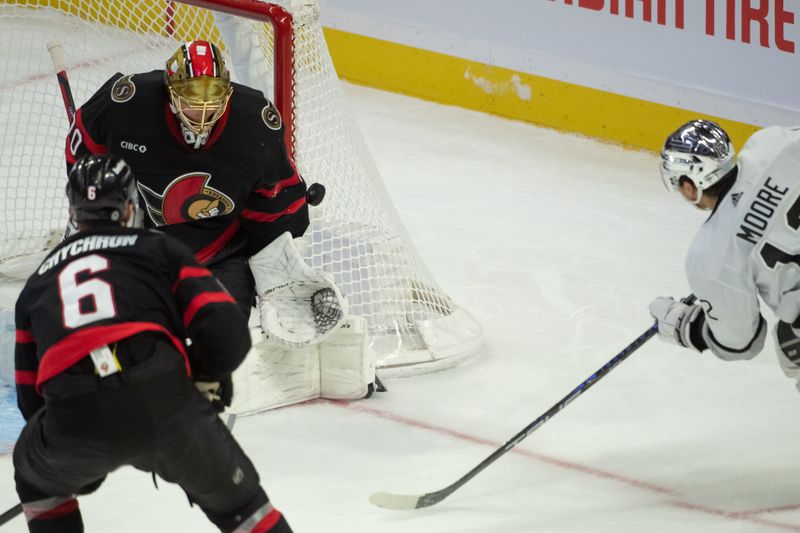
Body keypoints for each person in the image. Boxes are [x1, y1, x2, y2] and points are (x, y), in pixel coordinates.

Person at [64, 39, 374, 408]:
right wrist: (100, 214)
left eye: (213, 99)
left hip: (221, 250)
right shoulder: (127, 103)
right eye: (192, 100)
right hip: (143, 244)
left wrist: (276, 267)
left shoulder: (253, 124)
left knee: (223, 337)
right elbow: (83, 151)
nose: (203, 110)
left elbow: (274, 204)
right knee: (114, 328)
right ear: (169, 92)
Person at [13, 154, 293, 533]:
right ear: (131, 207)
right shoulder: (157, 248)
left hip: (74, 413)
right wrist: (202, 375)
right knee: (245, 510)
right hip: (163, 398)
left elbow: (31, 401)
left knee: (36, 482)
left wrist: (72, 460)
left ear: (75, 214)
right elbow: (228, 332)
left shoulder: (36, 285)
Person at [648, 119, 800, 389]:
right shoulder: (772, 142)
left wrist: (690, 328)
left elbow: (742, 343)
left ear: (688, 186)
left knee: (792, 341)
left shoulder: (710, 255)